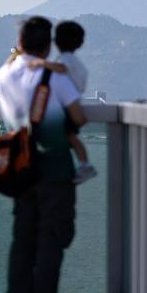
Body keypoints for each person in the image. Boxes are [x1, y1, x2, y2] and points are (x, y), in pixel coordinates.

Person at [0, 16, 87, 293]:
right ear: (48, 45)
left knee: (22, 238)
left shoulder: (2, 76)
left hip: (19, 166)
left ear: (19, 43)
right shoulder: (53, 78)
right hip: (54, 165)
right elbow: (78, 116)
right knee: (52, 237)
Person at [29, 20, 97, 184]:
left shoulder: (65, 60)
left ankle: (85, 165)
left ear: (55, 42)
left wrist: (41, 63)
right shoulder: (75, 62)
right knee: (71, 138)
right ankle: (83, 164)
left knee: (70, 137)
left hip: (67, 108)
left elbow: (61, 69)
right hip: (72, 104)